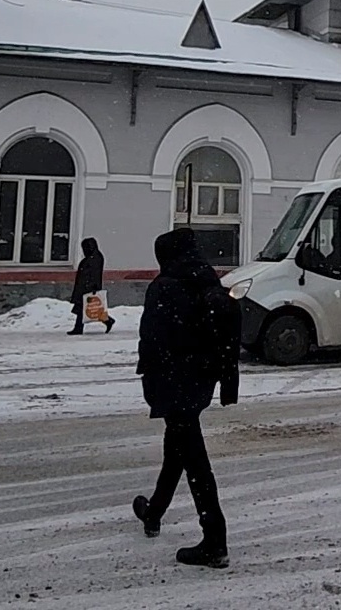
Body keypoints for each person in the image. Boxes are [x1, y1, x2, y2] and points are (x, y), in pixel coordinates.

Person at [132, 228, 241, 569]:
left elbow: (152, 340)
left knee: (194, 461)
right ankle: (153, 512)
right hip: (199, 382)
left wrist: (154, 385)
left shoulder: (165, 288)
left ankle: (215, 540)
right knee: (178, 448)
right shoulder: (208, 282)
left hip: (173, 382)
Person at [68, 237, 115, 335]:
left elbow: (95, 274)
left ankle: (79, 328)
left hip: (88, 287)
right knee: (87, 308)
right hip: (85, 286)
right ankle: (107, 321)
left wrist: (93, 287)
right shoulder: (92, 257)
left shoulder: (95, 258)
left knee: (85, 308)